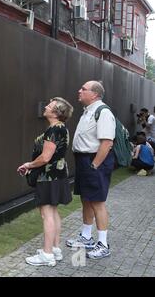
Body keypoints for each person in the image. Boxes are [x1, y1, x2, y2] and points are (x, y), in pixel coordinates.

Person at [17, 97, 74, 267]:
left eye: (49, 106)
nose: (46, 107)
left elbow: (45, 157)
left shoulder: (53, 130)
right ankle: (55, 249)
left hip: (49, 177)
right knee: (53, 212)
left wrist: (29, 165)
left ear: (56, 112)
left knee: (47, 214)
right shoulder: (61, 128)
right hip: (58, 174)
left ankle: (47, 254)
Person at [67, 80, 115, 260]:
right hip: (84, 160)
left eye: (83, 89)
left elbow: (107, 142)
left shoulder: (103, 112)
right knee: (86, 199)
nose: (79, 91)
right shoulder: (88, 111)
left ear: (94, 94)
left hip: (94, 161)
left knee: (97, 202)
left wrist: (94, 165)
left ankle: (103, 244)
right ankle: (86, 237)